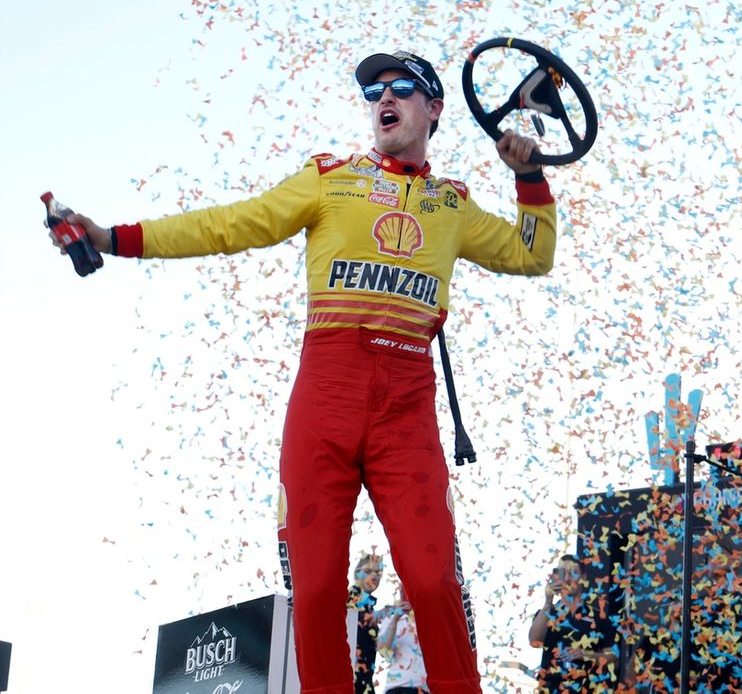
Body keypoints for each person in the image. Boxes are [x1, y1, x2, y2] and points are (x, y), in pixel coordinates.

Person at [48, 50, 556, 694]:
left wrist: (531, 181)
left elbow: (531, 255)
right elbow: (231, 225)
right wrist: (114, 236)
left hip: (406, 407)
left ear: (433, 109)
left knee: (433, 582)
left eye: (401, 88)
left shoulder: (451, 205)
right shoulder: (328, 178)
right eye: (373, 91)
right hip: (325, 400)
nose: (383, 98)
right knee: (314, 589)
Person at [528, 555, 619, 692]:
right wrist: (548, 602)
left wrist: (585, 654)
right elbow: (535, 640)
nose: (567, 578)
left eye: (573, 573)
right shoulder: (548, 613)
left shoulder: (598, 618)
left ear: (583, 577)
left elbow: (614, 659)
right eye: (563, 573)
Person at [378, 585, 429, 694]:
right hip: (398, 686)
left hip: (425, 688)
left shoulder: (430, 619)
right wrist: (395, 619)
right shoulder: (391, 619)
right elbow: (383, 652)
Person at [349, 553, 385, 694]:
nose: (374, 576)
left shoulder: (370, 606)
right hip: (350, 680)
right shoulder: (350, 598)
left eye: (378, 572)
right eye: (368, 571)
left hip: (365, 683)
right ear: (357, 574)